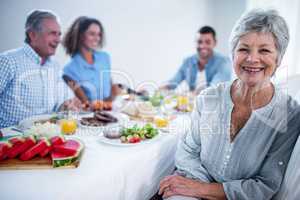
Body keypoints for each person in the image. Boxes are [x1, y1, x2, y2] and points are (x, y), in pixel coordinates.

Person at [159, 9, 300, 200]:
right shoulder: (208, 97)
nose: (252, 58)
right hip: (195, 183)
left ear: (279, 58)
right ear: (233, 54)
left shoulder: (289, 114)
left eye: (264, 50)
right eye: (243, 49)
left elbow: (266, 185)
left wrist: (203, 190)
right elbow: (187, 152)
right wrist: (195, 187)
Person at [0, 10, 80, 129]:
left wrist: (65, 106)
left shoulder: (55, 66)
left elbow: (55, 108)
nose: (58, 40)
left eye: (59, 34)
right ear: (32, 35)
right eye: (53, 33)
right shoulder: (7, 61)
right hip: (11, 140)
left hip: (46, 137)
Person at [62, 16, 117, 110]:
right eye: (92, 34)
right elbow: (86, 105)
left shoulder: (105, 57)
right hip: (90, 117)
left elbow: (110, 87)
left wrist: (115, 93)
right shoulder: (69, 71)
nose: (97, 38)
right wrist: (111, 97)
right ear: (80, 36)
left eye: (99, 34)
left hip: (110, 110)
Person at [161, 26, 232, 94]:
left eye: (207, 42)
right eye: (199, 42)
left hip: (214, 105)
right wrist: (160, 89)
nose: (202, 46)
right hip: (191, 104)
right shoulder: (188, 61)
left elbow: (214, 90)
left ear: (215, 43)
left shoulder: (224, 62)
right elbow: (173, 82)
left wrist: (188, 95)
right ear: (195, 42)